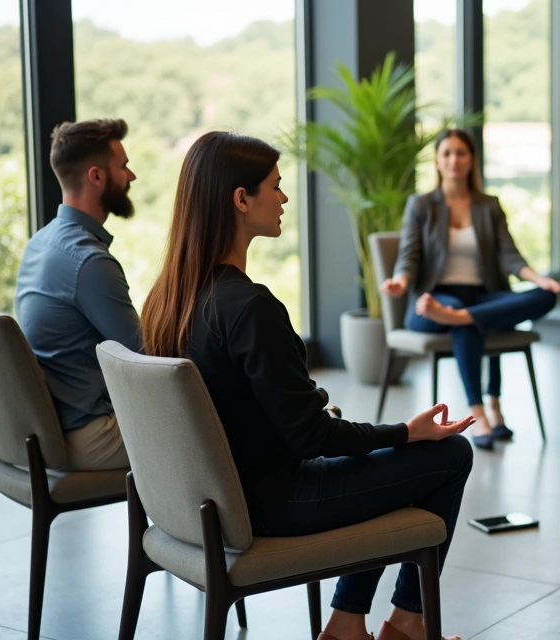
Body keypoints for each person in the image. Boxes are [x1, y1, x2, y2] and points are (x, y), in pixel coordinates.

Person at [140, 132, 473, 640]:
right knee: (449, 455)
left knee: (378, 457)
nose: (284, 197)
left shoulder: (168, 300)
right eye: (275, 186)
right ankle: (406, 624)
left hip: (207, 504)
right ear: (241, 199)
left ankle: (346, 626)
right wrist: (406, 432)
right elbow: (313, 438)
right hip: (273, 503)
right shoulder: (250, 307)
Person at [381, 128, 560, 450]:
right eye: (447, 153)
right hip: (435, 299)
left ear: (472, 159)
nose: (454, 160)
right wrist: (401, 281)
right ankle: (483, 410)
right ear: (437, 161)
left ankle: (464, 322)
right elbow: (410, 254)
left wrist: (538, 279)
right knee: (465, 319)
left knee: (543, 297)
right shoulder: (421, 204)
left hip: (481, 295)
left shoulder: (488, 205)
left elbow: (509, 254)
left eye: (461, 153)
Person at [14, 118, 140, 470]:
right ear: (96, 176)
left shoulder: (39, 243)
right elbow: (145, 359)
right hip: (91, 434)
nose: (131, 176)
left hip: (46, 429)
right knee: (220, 428)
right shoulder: (88, 261)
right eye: (124, 166)